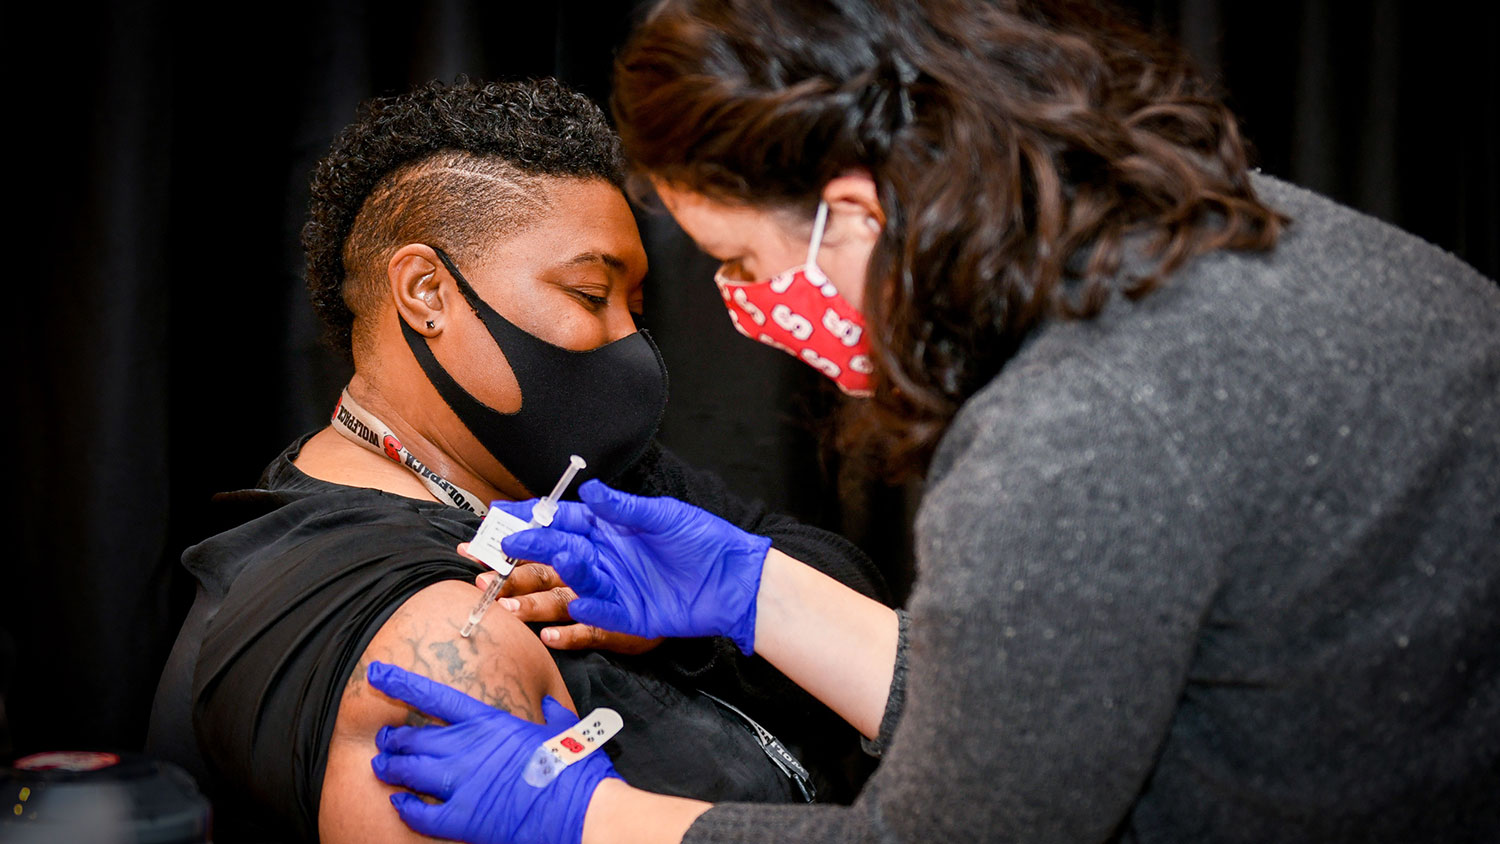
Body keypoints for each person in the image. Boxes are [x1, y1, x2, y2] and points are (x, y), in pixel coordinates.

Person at [363, 1, 1500, 842]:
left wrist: (587, 813)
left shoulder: (1076, 427)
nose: (748, 312)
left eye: (743, 265)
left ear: (854, 214)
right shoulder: (1250, 227)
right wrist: (760, 592)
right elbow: (1053, 700)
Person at [145, 77, 890, 843]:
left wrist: (705, 619)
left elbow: (853, 599)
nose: (629, 345)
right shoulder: (428, 646)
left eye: (635, 307)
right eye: (590, 293)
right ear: (427, 292)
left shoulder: (586, 473)